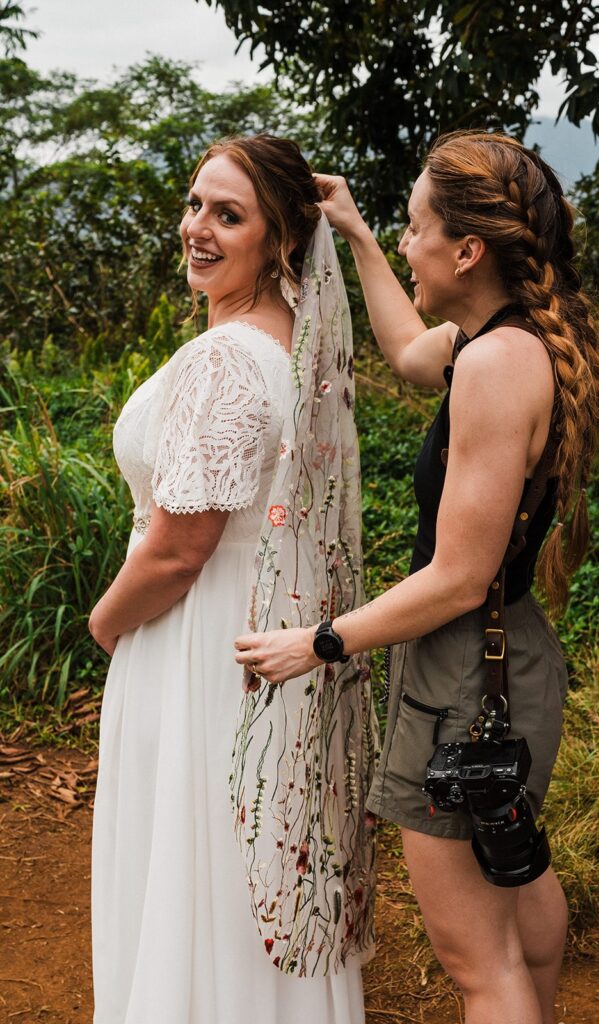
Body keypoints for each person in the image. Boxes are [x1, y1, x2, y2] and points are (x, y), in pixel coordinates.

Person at [234, 130, 599, 1024]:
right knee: (518, 895)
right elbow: (407, 354)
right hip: (506, 655)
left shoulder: (492, 364)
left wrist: (319, 642)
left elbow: (455, 577)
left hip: (466, 672)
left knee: (475, 959)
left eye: (412, 229)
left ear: (466, 249)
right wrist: (360, 234)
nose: (407, 245)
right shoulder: (509, 339)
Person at [88, 133, 377, 1024]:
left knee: (194, 853)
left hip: (193, 640)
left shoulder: (225, 359)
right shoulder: (296, 347)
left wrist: (104, 625)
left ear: (281, 241)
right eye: (194, 205)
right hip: (254, 630)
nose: (198, 229)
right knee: (233, 857)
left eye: (228, 214)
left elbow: (180, 547)